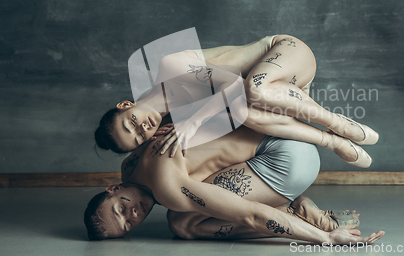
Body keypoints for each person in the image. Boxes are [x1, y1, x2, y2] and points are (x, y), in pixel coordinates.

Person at [85, 118, 385, 245]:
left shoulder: (167, 187)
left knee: (183, 225)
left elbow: (249, 214)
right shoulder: (130, 163)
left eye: (119, 210)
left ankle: (297, 214)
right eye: (127, 225)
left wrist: (325, 240)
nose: (133, 215)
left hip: (286, 156)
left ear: (112, 189)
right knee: (185, 210)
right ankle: (291, 207)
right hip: (283, 136)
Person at [95, 35, 379, 167]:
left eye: (130, 122)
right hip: (284, 94)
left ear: (125, 105)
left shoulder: (171, 68)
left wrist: (194, 121)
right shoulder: (173, 125)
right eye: (138, 138)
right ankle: (333, 142)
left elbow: (234, 83)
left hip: (286, 53)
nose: (142, 127)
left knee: (249, 92)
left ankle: (338, 124)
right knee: (244, 113)